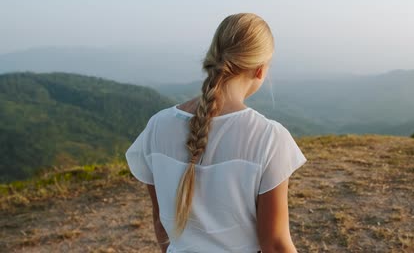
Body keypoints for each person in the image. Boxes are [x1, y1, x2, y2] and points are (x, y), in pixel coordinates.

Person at [125, 13, 307, 252]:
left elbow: (162, 225)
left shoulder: (157, 126)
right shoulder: (269, 139)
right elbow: (274, 243)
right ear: (260, 70)